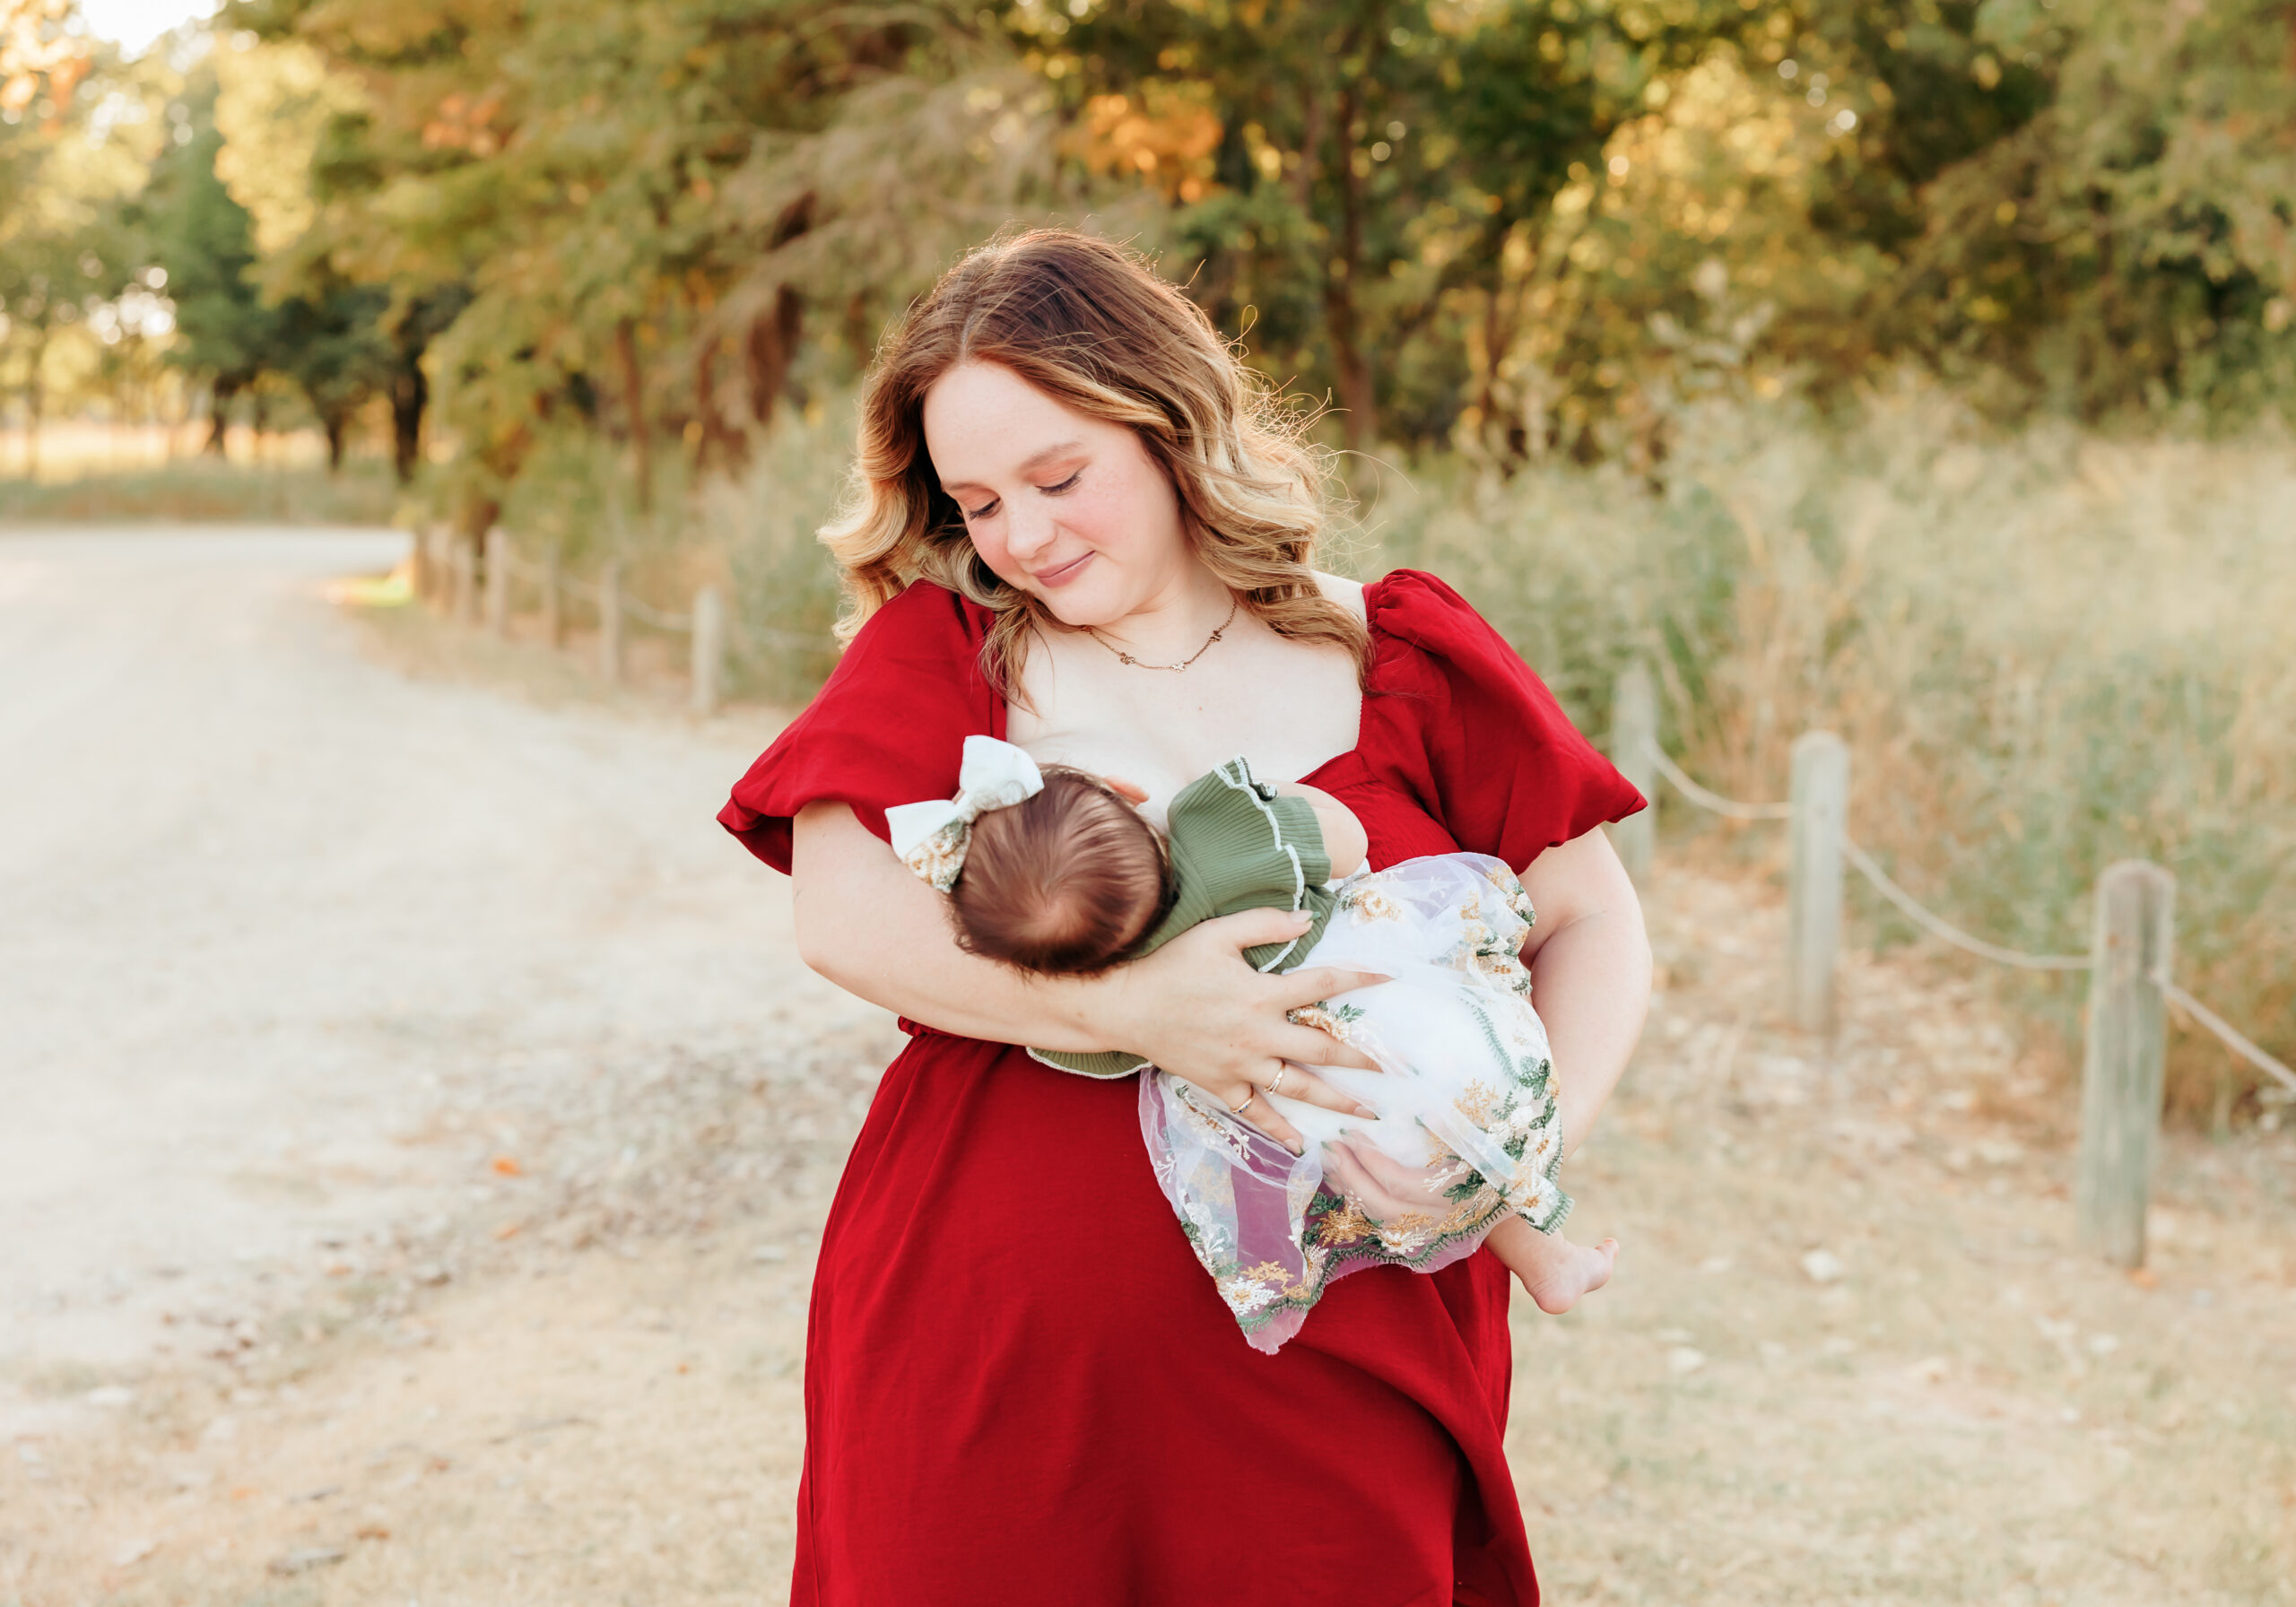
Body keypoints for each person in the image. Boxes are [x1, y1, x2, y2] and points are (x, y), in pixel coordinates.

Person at [718, 228, 1652, 1606]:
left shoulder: (1398, 655)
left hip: (1343, 1351)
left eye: (1059, 476)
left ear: (1169, 428)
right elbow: (841, 919)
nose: (1022, 535)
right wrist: (1129, 1013)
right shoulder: (949, 658)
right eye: (978, 501)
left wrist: (1494, 1152)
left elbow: (1595, 924)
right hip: (994, 1364)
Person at [883, 736, 1619, 1355]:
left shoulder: (1110, 999)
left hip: (1307, 1119)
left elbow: (1087, 1048)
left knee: (1393, 1161)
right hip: (1393, 1028)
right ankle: (1545, 1251)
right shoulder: (1222, 840)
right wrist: (1263, 801)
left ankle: (1542, 1261)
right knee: (1458, 1119)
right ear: (1125, 790)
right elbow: (1347, 841)